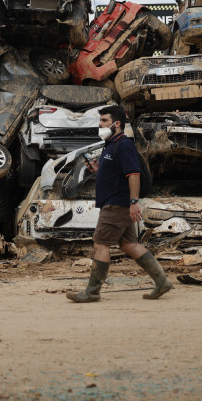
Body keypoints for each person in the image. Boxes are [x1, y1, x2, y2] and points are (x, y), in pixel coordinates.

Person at [66, 105, 173, 303]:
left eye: (104, 120)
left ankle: (92, 292)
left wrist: (134, 202)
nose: (100, 124)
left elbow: (133, 174)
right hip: (115, 202)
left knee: (101, 243)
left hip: (117, 204)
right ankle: (162, 282)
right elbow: (117, 174)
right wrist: (99, 170)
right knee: (129, 244)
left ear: (116, 123)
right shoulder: (111, 144)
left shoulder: (123, 144)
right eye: (100, 120)